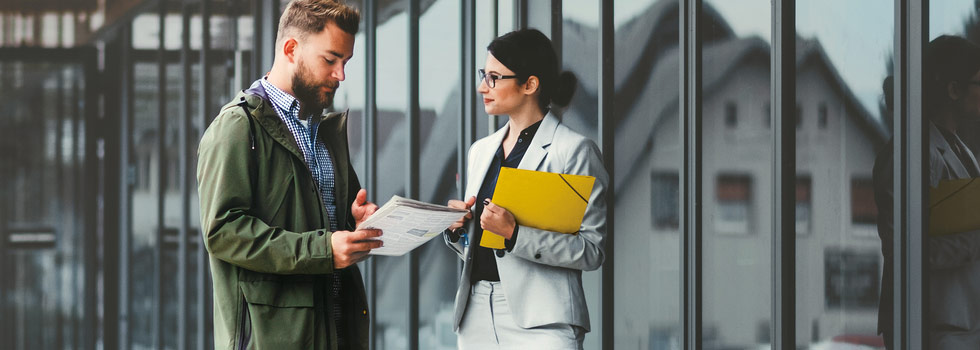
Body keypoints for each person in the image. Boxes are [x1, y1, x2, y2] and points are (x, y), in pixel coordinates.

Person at [197, 1, 381, 349]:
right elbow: (222, 232)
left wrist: (353, 222)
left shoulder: (322, 132)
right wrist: (323, 249)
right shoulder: (237, 128)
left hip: (337, 331)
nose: (341, 74)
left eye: (345, 62)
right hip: (272, 339)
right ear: (291, 49)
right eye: (330, 60)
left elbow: (318, 227)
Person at [443, 28, 608, 349]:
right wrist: (457, 229)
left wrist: (515, 235)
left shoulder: (573, 151)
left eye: (494, 78)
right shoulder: (480, 150)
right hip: (475, 312)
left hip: (543, 319)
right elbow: (477, 245)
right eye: (483, 75)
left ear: (530, 84)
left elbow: (592, 250)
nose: (482, 87)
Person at [875, 35, 980, 349]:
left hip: (961, 326)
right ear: (953, 90)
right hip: (935, 329)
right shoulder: (911, 153)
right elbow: (905, 249)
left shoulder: (962, 150)